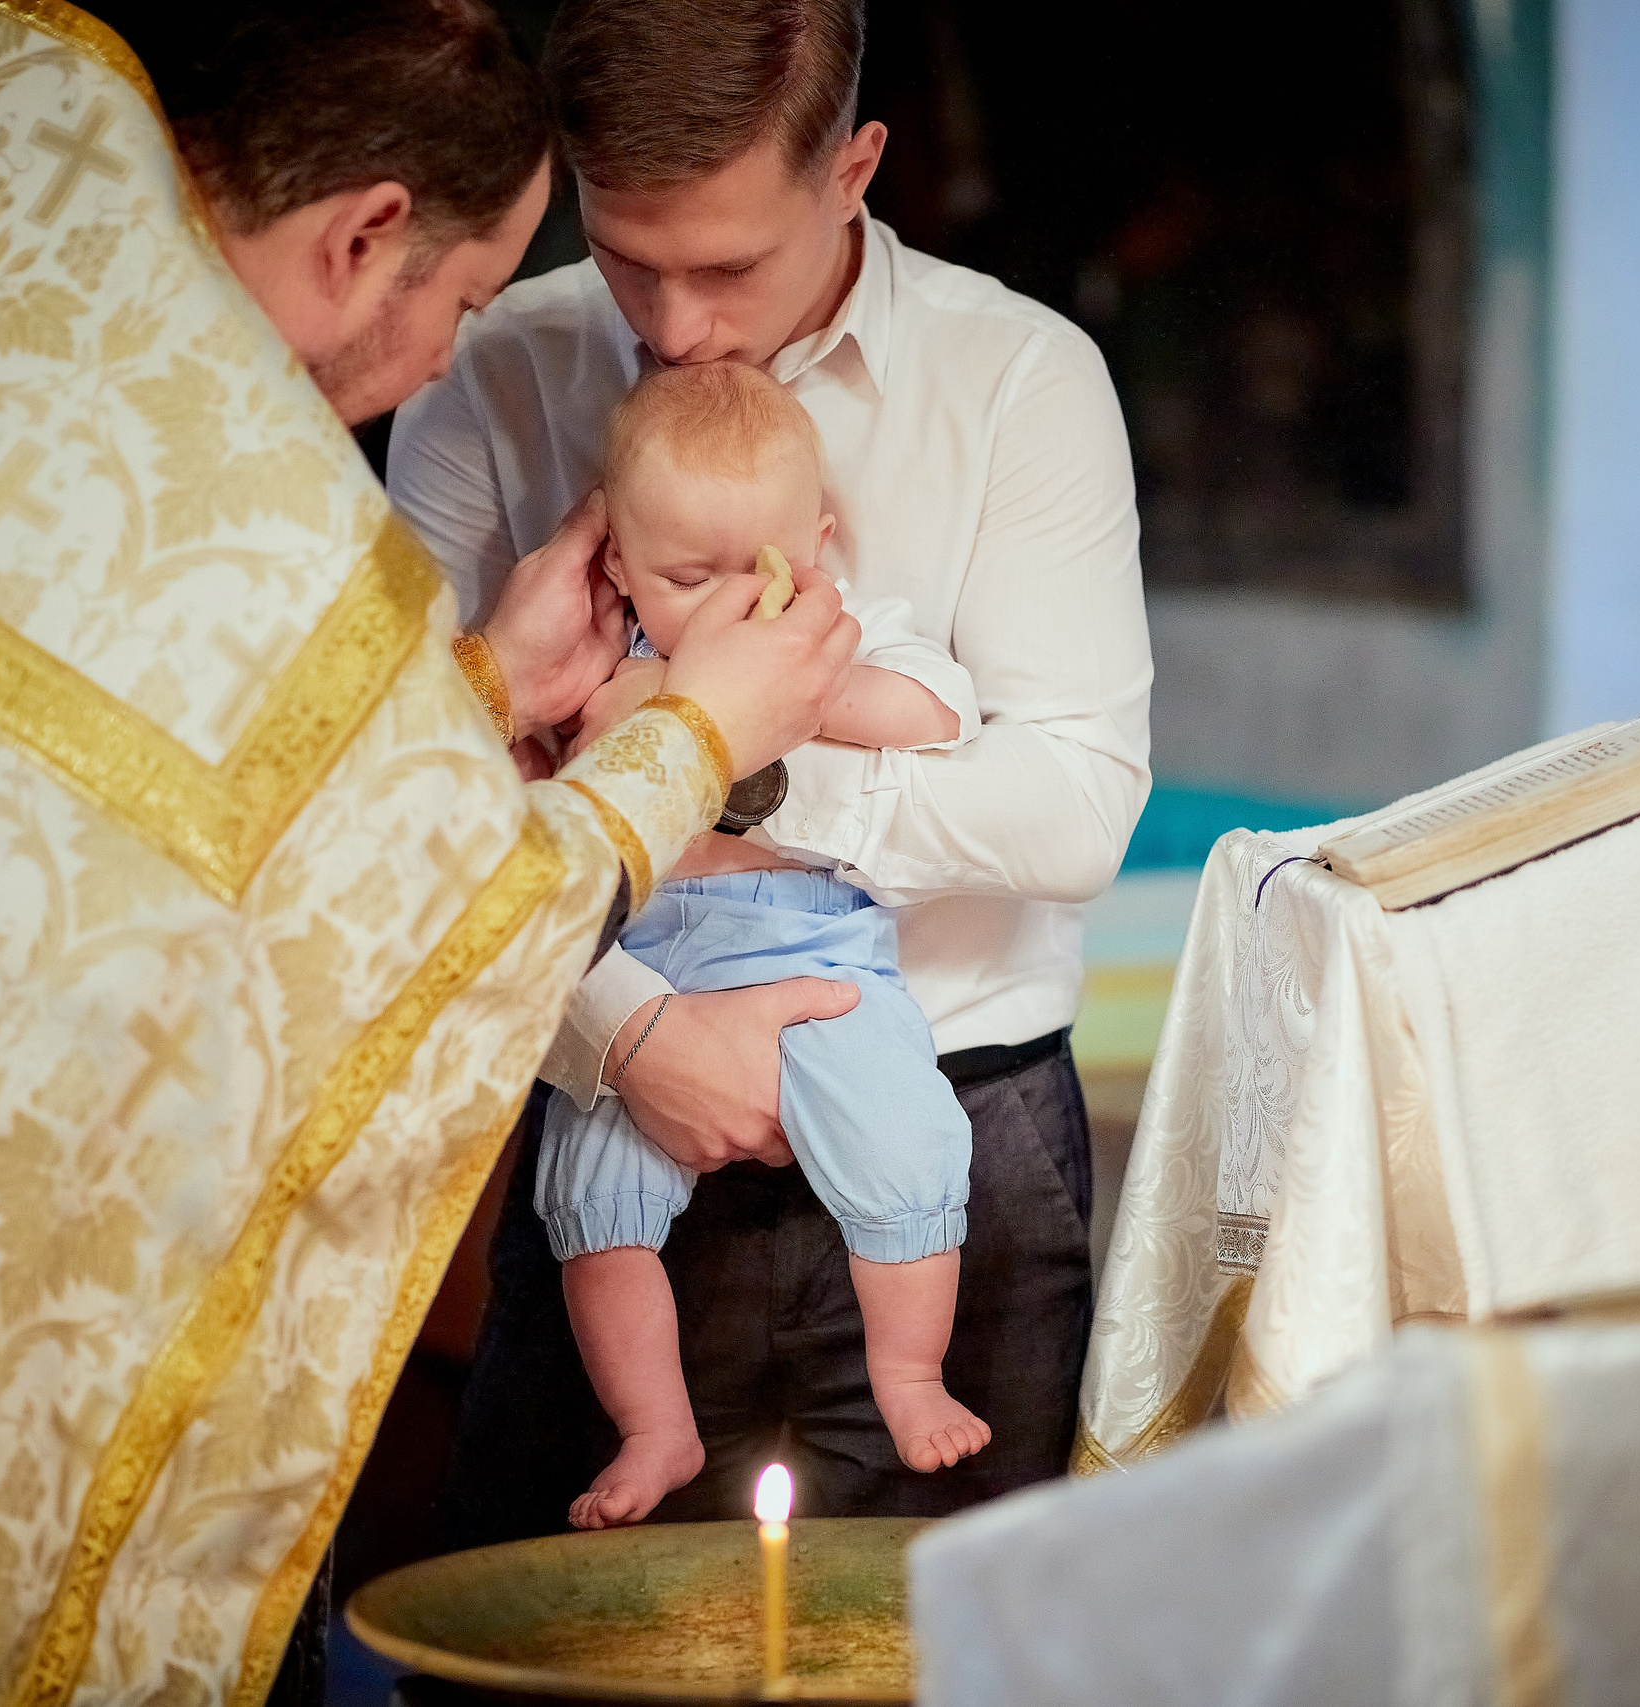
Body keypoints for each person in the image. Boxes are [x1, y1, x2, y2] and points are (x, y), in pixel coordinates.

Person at [0, 3, 854, 1704]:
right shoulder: (275, 537)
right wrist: (695, 733)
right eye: (466, 310)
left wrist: (473, 693)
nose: (436, 371)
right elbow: (409, 952)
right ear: (364, 236)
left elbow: (152, 804)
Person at [391, 0, 1152, 1536]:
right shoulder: (494, 369)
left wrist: (730, 758)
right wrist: (624, 1028)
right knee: (551, 1648)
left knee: (956, 1649)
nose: (672, 329)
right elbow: (406, 803)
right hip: (598, 1090)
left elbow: (1074, 806)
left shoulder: (1020, 381)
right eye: (623, 254)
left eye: (727, 264)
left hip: (960, 1114)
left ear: (856, 166)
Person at [544, 361, 989, 1529]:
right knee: (589, 1200)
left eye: (767, 570)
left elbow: (938, 715)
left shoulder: (842, 641)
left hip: (818, 958)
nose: (736, 603)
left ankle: (908, 1374)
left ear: (821, 543)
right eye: (687, 577)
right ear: (619, 568)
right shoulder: (599, 660)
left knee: (904, 1142)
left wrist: (780, 696)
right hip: (642, 963)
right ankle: (657, 1429)